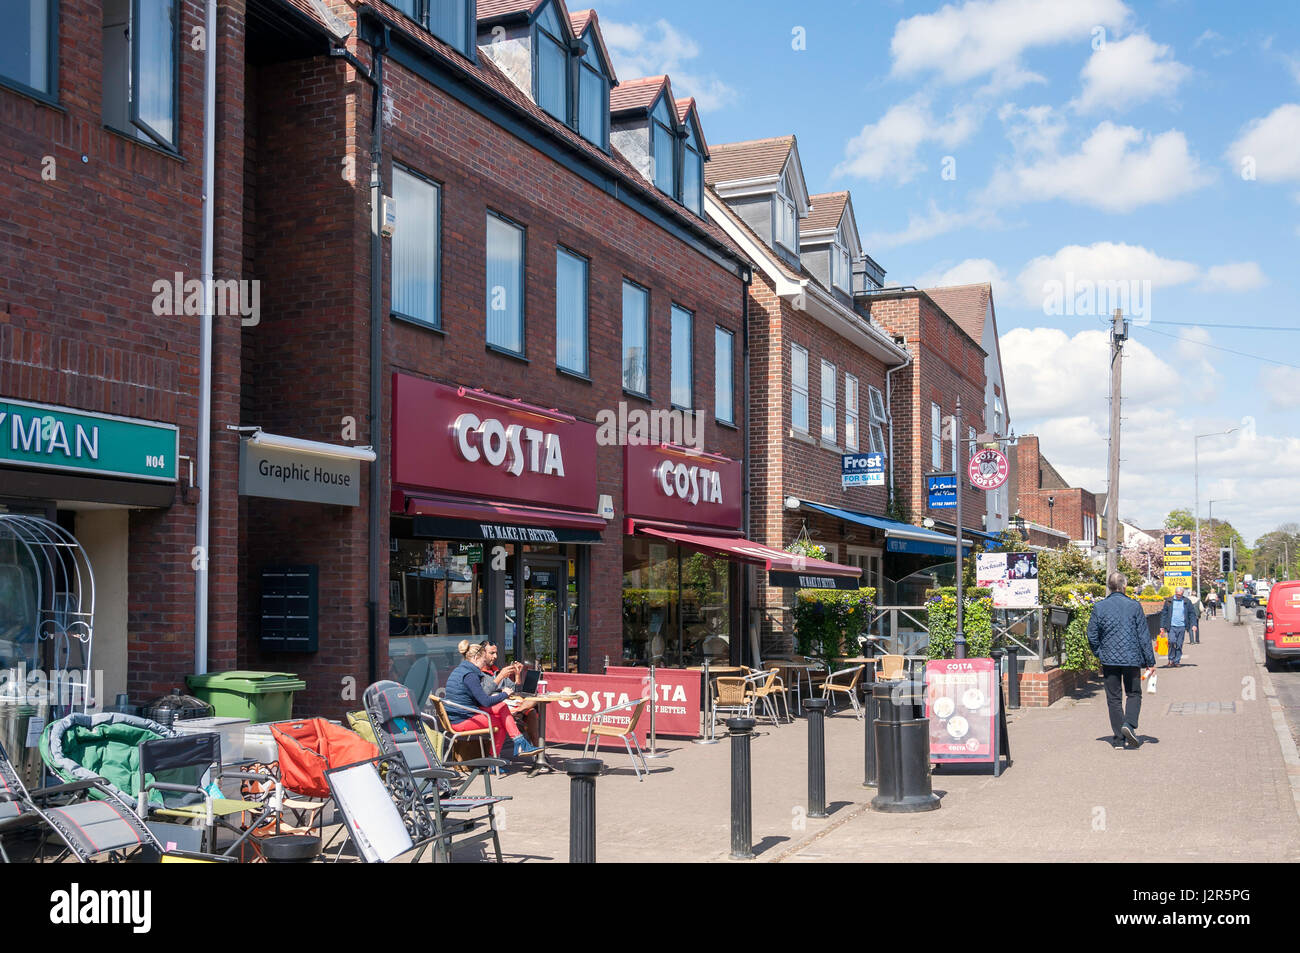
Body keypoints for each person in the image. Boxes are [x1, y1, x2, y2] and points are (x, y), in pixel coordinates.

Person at [1087, 571, 1156, 749]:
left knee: (1114, 698)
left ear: (1109, 587)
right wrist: (1150, 661)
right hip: (1132, 658)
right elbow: (1143, 635)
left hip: (1109, 659)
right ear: (1124, 586)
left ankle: (1118, 739)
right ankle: (1129, 724)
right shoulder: (1134, 606)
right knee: (1133, 694)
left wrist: (1099, 653)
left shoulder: (1099, 607)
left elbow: (1092, 634)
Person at [444, 641, 540, 758]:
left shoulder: (461, 670)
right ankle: (494, 761)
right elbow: (485, 701)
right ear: (475, 658)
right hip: (461, 719)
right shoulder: (470, 675)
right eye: (483, 660)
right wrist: (504, 694)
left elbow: (481, 700)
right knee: (502, 723)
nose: (484, 662)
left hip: (463, 713)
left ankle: (520, 744)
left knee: (502, 707)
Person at [1159, 586, 1200, 662]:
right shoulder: (1169, 601)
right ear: (1175, 593)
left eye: (1180, 595)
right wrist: (1162, 626)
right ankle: (1171, 659)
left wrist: (1194, 624)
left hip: (1182, 626)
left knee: (1179, 644)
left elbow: (1192, 613)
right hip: (1171, 626)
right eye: (1178, 595)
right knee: (1172, 641)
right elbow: (1164, 614)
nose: (1179, 596)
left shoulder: (1187, 601)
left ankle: (1177, 660)